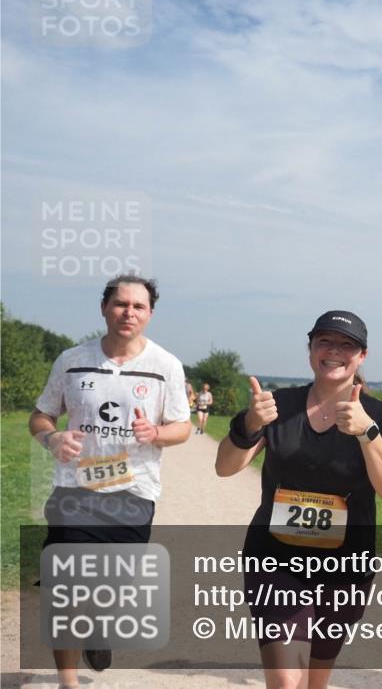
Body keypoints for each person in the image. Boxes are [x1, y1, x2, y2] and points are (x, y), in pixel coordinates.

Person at [216, 310, 382, 689]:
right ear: (311, 349)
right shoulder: (277, 406)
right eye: (325, 341)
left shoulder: (379, 415)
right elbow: (225, 467)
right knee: (286, 680)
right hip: (275, 557)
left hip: (347, 565)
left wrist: (367, 434)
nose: (334, 351)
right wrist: (249, 425)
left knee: (314, 681)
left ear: (362, 355)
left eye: (346, 344)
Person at [28, 274, 191, 685]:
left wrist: (156, 433)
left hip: (133, 490)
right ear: (104, 308)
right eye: (121, 304)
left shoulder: (165, 365)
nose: (128, 312)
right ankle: (67, 679)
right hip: (75, 489)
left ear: (150, 314)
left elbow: (183, 427)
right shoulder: (71, 359)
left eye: (138, 306)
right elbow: (41, 415)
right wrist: (53, 437)